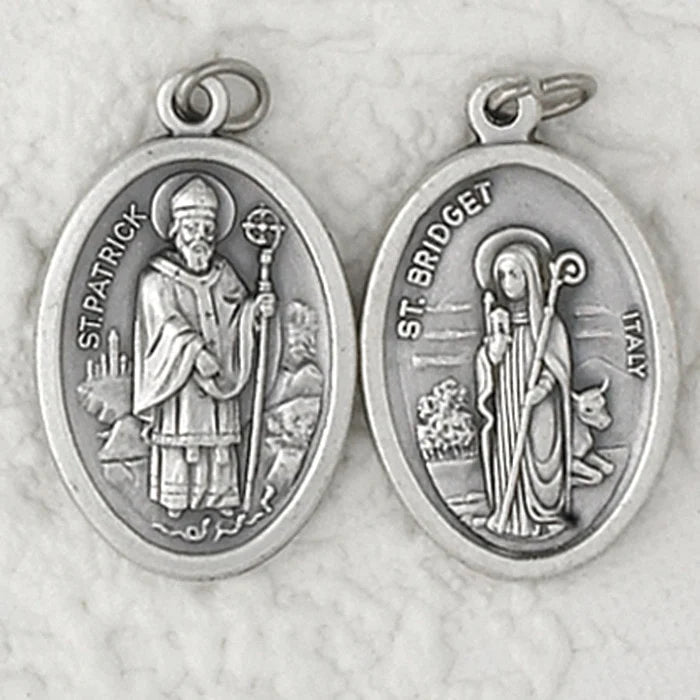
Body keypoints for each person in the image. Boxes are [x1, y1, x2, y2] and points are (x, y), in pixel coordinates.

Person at [133, 175, 275, 519]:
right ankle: (177, 498)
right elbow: (164, 324)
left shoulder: (223, 274)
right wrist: (195, 352)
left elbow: (237, 313)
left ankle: (221, 496)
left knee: (218, 444)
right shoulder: (156, 280)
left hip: (219, 377)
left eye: (206, 229)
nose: (199, 237)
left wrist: (256, 311)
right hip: (179, 382)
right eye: (191, 228)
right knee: (184, 442)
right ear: (175, 230)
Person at [474, 227, 573, 537]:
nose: (508, 283)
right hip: (508, 398)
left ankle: (542, 514)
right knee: (507, 449)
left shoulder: (547, 325)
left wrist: (542, 387)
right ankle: (511, 515)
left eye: (514, 274)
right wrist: (492, 353)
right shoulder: (499, 324)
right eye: (502, 276)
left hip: (538, 404)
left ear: (530, 276)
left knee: (539, 454)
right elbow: (486, 363)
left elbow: (559, 366)